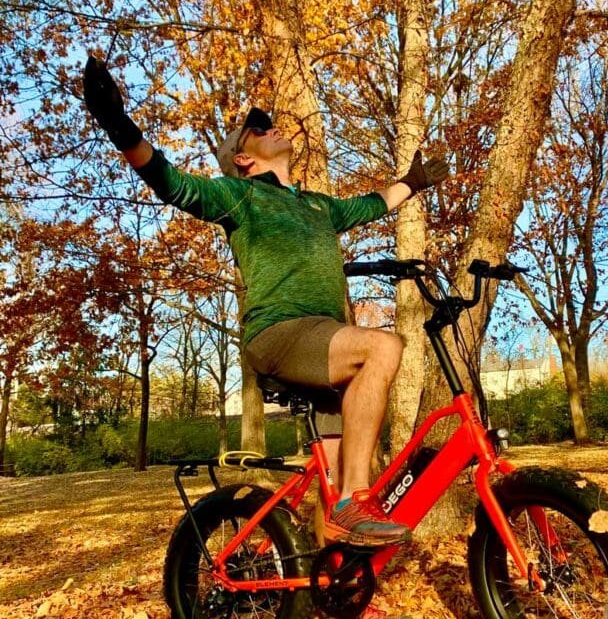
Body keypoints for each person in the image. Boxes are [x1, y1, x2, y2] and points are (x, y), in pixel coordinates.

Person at [82, 55, 449, 548]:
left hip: (323, 346)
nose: (271, 128)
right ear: (243, 158)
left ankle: (335, 580)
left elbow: (373, 204)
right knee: (383, 347)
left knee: (334, 468)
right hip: (279, 334)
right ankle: (353, 502)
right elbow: (170, 182)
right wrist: (116, 122)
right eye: (258, 128)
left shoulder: (317, 205)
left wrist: (415, 181)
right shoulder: (239, 195)